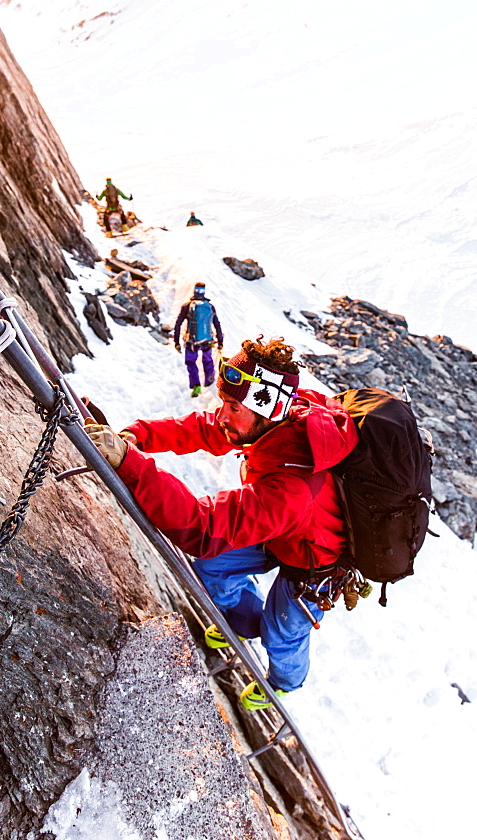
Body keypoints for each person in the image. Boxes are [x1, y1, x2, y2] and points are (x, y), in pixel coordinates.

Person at [85, 336, 359, 710]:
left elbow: (204, 527)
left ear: (266, 409)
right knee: (214, 567)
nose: (223, 414)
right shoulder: (271, 419)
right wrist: (139, 436)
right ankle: (243, 623)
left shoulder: (293, 486)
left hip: (314, 563)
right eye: (224, 402)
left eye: (233, 406)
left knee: (282, 631)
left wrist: (130, 466)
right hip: (282, 529)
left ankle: (283, 682)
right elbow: (205, 429)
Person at [173, 282, 224, 397]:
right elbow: (217, 324)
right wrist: (220, 341)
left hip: (191, 342)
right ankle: (209, 381)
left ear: (194, 291)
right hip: (207, 341)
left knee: (191, 362)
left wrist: (176, 342)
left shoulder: (187, 306)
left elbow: (178, 324)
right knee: (208, 360)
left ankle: (196, 386)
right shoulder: (210, 307)